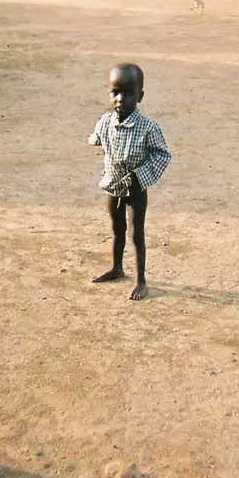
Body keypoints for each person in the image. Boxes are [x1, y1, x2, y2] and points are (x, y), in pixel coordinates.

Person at [88, 63, 171, 300]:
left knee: (137, 234)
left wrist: (139, 176)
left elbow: (162, 155)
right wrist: (94, 140)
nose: (120, 99)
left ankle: (141, 280)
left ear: (140, 96)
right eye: (115, 92)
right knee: (117, 229)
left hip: (135, 190)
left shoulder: (148, 127)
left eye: (128, 93)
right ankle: (117, 267)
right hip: (112, 186)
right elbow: (98, 138)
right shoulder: (105, 121)